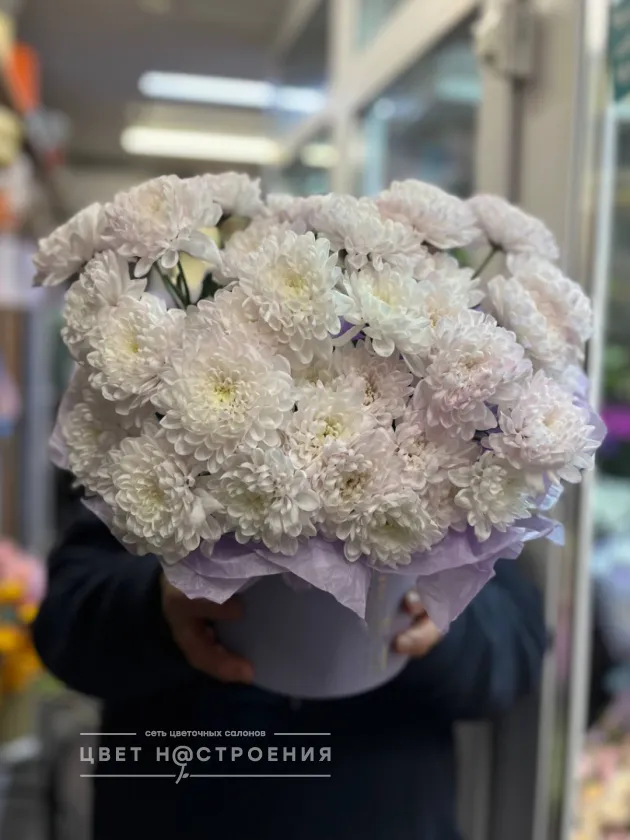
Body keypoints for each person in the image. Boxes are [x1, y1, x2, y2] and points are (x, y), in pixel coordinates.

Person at [33, 507, 547, 840]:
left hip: (385, 810)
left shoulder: (447, 413)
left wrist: (440, 611)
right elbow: (65, 620)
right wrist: (155, 605)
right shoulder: (158, 400)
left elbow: (515, 650)